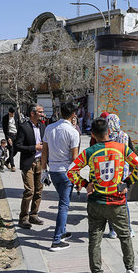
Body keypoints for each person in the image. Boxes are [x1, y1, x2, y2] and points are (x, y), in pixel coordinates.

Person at [67, 117, 138, 273]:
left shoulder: (89, 152)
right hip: (117, 202)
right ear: (109, 132)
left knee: (95, 240)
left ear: (93, 134)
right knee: (124, 236)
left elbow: (71, 171)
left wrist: (85, 184)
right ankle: (130, 270)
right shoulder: (122, 149)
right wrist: (126, 183)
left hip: (96, 202)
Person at [42, 101, 80, 251]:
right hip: (66, 172)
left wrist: (44, 170)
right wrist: (76, 178)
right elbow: (75, 158)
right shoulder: (73, 132)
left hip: (53, 170)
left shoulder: (49, 128)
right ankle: (57, 240)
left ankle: (62, 232)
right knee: (64, 206)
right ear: (73, 115)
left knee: (63, 203)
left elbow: (44, 151)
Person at [14, 104, 46, 229]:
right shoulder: (24, 127)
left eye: (42, 112)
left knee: (39, 191)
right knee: (29, 191)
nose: (42, 114)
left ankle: (34, 214)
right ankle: (23, 218)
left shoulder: (43, 127)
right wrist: (34, 147)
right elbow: (18, 146)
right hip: (28, 163)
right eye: (40, 112)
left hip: (41, 162)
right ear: (32, 113)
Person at [106, 114, 135, 238]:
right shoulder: (125, 136)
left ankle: (112, 230)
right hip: (122, 174)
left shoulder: (105, 137)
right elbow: (131, 154)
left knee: (110, 202)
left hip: (108, 174)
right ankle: (127, 228)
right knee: (123, 203)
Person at [2, 107, 21, 172]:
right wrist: (8, 138)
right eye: (12, 114)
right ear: (9, 112)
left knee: (17, 149)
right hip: (9, 135)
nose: (13, 115)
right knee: (11, 150)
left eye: (14, 113)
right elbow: (4, 130)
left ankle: (7, 162)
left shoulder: (16, 116)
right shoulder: (5, 118)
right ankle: (13, 166)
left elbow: (19, 125)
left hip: (16, 135)